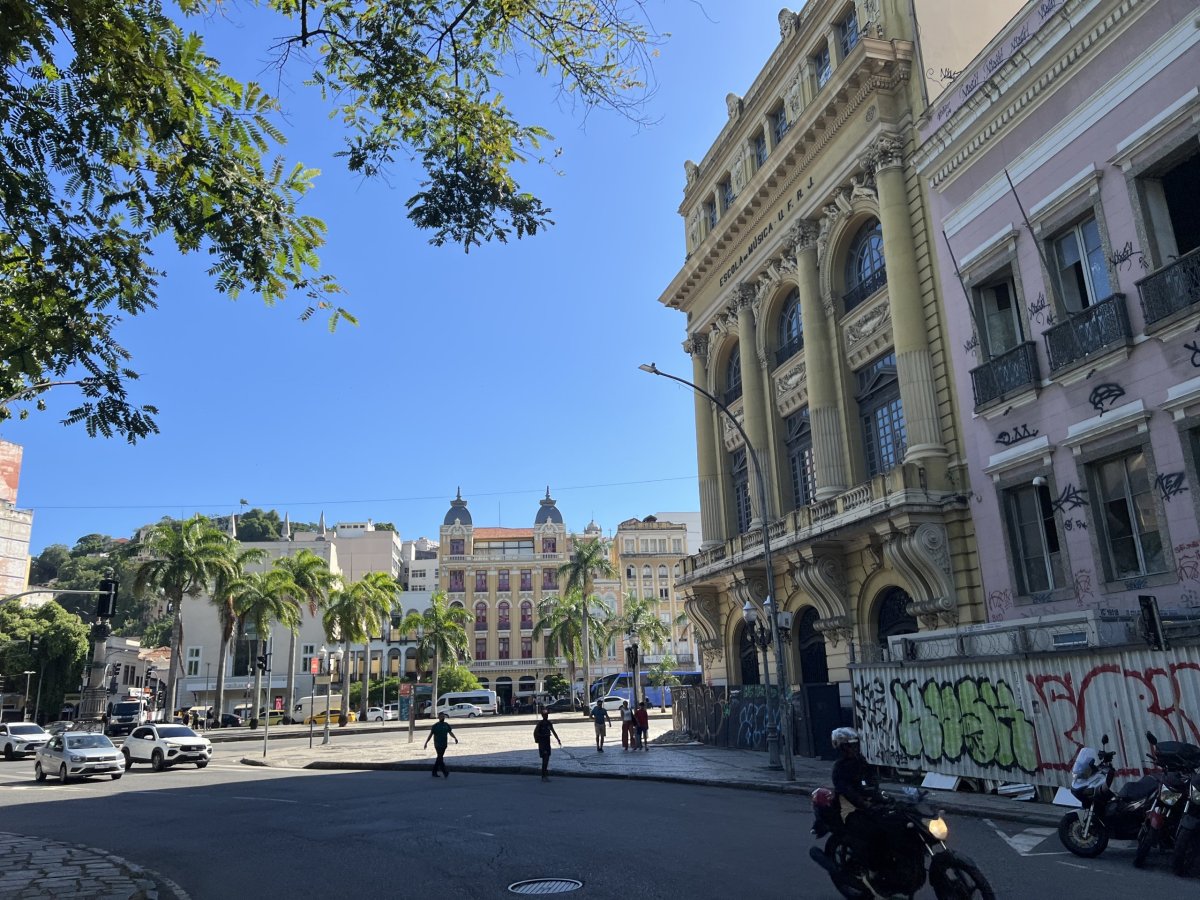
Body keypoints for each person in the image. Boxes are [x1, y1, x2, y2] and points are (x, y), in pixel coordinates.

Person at [830, 727, 885, 874]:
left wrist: (881, 797)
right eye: (850, 746)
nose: (854, 748)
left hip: (867, 805)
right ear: (841, 748)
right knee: (870, 832)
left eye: (855, 745)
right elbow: (848, 792)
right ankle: (868, 869)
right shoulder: (839, 768)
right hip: (850, 809)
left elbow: (872, 781)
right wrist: (865, 804)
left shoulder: (860, 761)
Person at [423, 712, 459, 778]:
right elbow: (430, 735)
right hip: (437, 744)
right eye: (441, 716)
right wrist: (426, 743)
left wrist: (455, 738)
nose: (443, 718)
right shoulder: (435, 726)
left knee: (439, 758)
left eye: (443, 716)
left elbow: (450, 732)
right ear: (439, 717)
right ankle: (445, 772)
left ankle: (434, 772)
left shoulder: (446, 725)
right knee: (440, 757)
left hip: (444, 744)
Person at [533, 708, 562, 781]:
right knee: (545, 759)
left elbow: (553, 731)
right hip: (542, 743)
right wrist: (539, 737)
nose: (546, 716)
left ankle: (545, 774)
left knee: (547, 759)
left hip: (547, 743)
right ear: (543, 716)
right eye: (545, 715)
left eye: (547, 715)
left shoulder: (549, 723)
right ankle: (543, 775)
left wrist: (558, 739)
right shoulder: (540, 724)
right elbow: (535, 733)